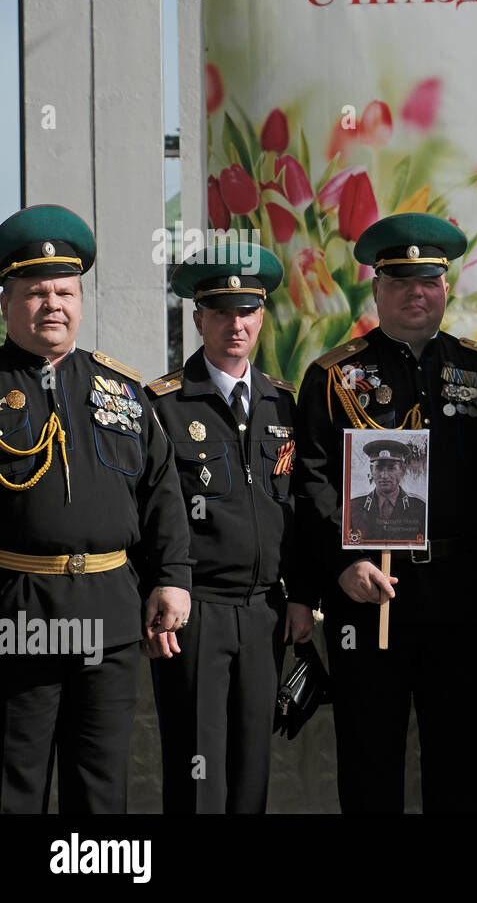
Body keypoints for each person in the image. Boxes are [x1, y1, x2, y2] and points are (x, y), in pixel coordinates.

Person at [291, 212, 477, 814]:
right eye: (401, 281)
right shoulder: (334, 376)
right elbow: (311, 482)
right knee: (369, 759)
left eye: (429, 281)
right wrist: (340, 564)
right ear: (377, 289)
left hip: (459, 590)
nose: (417, 293)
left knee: (459, 758)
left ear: (446, 289)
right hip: (368, 592)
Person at [0, 205, 191, 813]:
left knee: (102, 787)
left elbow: (162, 492)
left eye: (65, 291)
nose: (52, 304)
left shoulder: (124, 391)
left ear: (80, 300)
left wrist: (172, 579)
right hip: (18, 614)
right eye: (35, 292)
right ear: (6, 303)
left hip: (109, 617)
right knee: (15, 782)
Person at [146, 241, 312, 814]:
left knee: (251, 775)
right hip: (197, 612)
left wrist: (301, 597)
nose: (235, 325)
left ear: (262, 315)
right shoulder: (163, 406)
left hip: (266, 612)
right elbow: (150, 516)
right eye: (220, 312)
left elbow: (299, 507)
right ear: (198, 319)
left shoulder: (283, 404)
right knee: (198, 775)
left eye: (246, 311)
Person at [345, 439, 428, 545]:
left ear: (402, 470)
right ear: (371, 470)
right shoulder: (353, 507)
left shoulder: (420, 508)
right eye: (379, 468)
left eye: (391, 468)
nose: (384, 475)